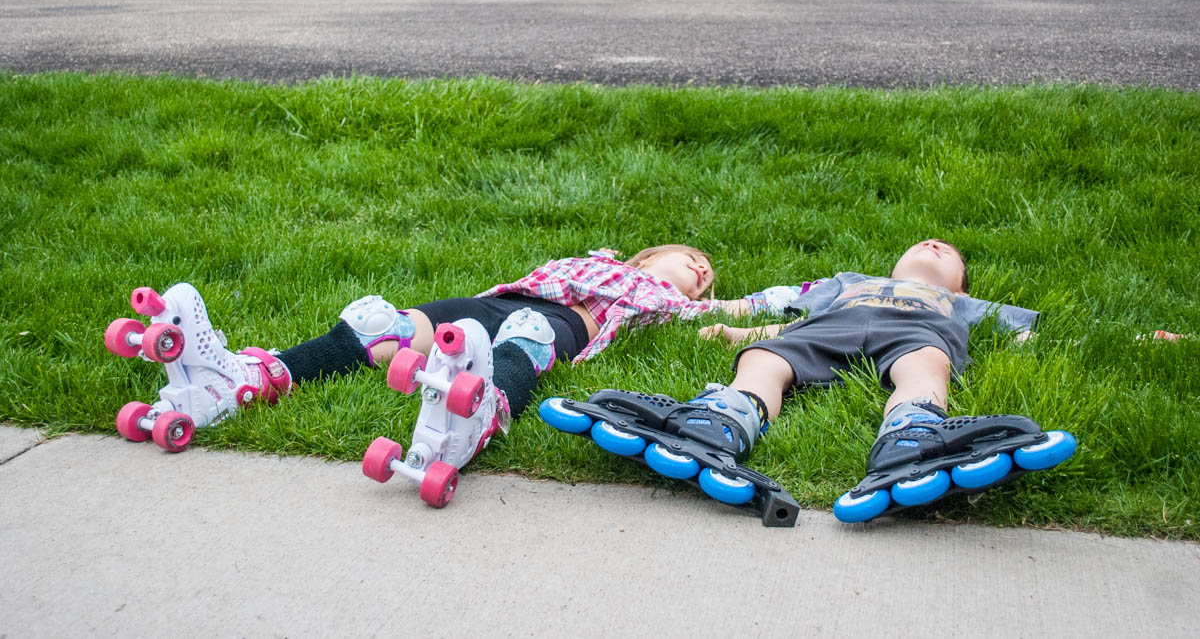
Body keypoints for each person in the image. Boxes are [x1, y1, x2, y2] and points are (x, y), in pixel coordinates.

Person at [540, 239, 1077, 524]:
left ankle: (912, 432)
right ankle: (723, 419)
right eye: (925, 243)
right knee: (766, 357)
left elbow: (1024, 330)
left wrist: (1032, 342)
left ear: (959, 284)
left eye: (948, 252)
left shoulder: (959, 303)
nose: (934, 245)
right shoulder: (848, 282)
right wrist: (733, 329)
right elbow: (786, 313)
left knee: (926, 365)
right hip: (827, 327)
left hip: (918, 330)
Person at [106, 244, 767, 456]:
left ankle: (482, 411)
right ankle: (248, 377)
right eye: (694, 258)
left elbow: (747, 308)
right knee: (376, 323)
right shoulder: (602, 257)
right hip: (494, 302)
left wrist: (798, 303)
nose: (701, 271)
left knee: (530, 338)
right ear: (651, 254)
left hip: (566, 323)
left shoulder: (671, 302)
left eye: (705, 275)